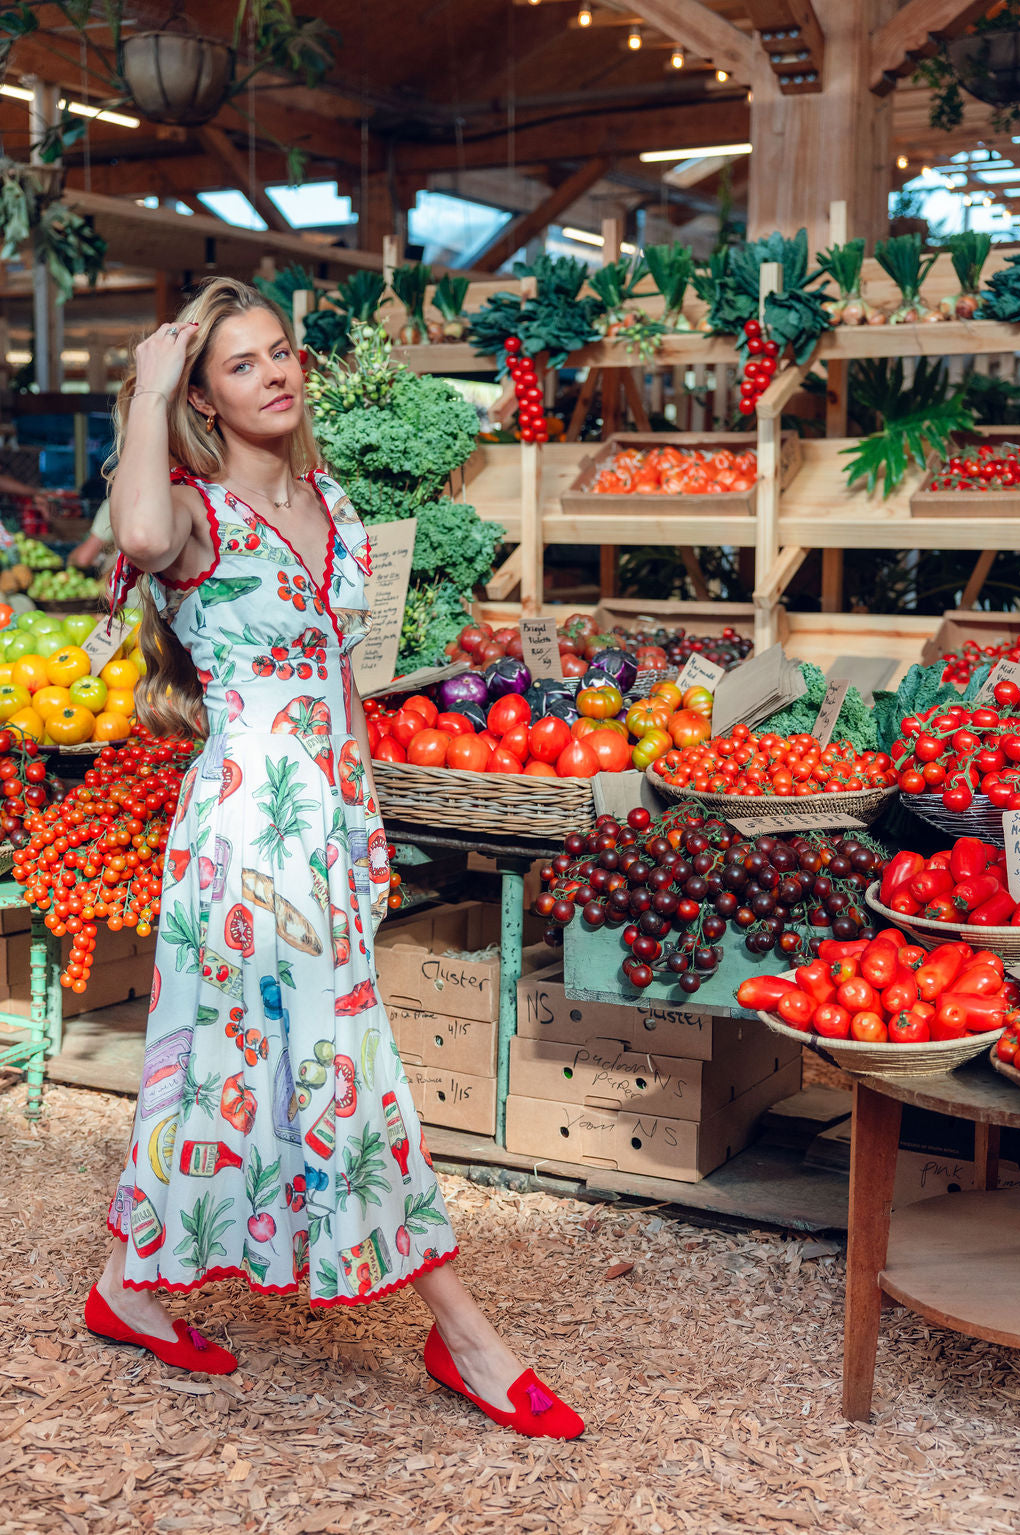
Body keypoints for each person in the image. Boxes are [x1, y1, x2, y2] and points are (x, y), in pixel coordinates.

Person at [84, 277, 583, 1442]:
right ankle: (463, 1332)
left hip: (332, 812)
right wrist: (147, 388)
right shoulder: (194, 512)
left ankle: (127, 1283)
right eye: (240, 364)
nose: (274, 373)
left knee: (214, 1058)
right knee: (344, 1059)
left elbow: (346, 676)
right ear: (205, 401)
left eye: (281, 353)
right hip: (248, 824)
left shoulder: (335, 499)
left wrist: (369, 820)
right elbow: (140, 536)